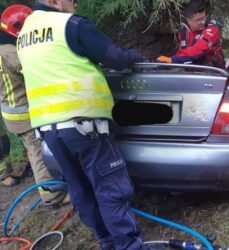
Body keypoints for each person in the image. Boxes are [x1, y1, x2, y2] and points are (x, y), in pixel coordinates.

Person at [17, 0, 143, 249]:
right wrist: (136, 58)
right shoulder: (70, 25)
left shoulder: (25, 34)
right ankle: (128, 246)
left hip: (51, 130)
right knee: (111, 189)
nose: (75, 3)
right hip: (85, 126)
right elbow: (114, 57)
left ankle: (107, 242)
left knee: (82, 191)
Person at [0, 4, 68, 205]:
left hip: (12, 112)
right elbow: (35, 69)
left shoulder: (2, 48)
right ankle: (52, 195)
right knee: (37, 151)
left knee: (35, 149)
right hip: (23, 113)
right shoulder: (10, 52)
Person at [156, 0, 225, 68]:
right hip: (192, 72)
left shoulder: (212, 29)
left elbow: (198, 50)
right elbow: (183, 53)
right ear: (188, 20)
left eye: (204, 17)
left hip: (214, 72)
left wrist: (172, 59)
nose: (203, 22)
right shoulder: (183, 33)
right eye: (199, 20)